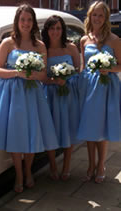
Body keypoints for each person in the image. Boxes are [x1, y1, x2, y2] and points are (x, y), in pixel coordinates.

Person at [0, 4, 59, 193]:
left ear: (33, 22)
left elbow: (43, 74)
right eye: (23, 19)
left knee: (31, 132)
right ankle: (19, 176)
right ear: (17, 21)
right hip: (12, 95)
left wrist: (32, 75)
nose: (26, 23)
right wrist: (17, 73)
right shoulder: (7, 43)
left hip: (33, 95)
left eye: (29, 20)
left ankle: (28, 171)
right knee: (16, 133)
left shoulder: (40, 46)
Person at [78, 1, 121, 184]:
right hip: (88, 86)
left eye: (100, 15)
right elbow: (82, 65)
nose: (97, 18)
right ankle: (91, 163)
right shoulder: (84, 40)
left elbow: (120, 65)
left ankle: (101, 164)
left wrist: (109, 69)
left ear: (106, 18)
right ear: (89, 16)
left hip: (106, 87)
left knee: (102, 126)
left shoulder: (114, 40)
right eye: (94, 15)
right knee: (89, 126)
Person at [41, 15, 81, 181]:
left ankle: (66, 165)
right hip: (49, 93)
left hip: (68, 93)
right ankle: (52, 164)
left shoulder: (71, 48)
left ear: (63, 30)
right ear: (47, 30)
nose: (55, 32)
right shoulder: (43, 49)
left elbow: (78, 69)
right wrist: (53, 80)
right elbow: (41, 75)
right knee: (51, 129)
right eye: (52, 28)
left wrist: (67, 77)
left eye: (58, 28)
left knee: (68, 127)